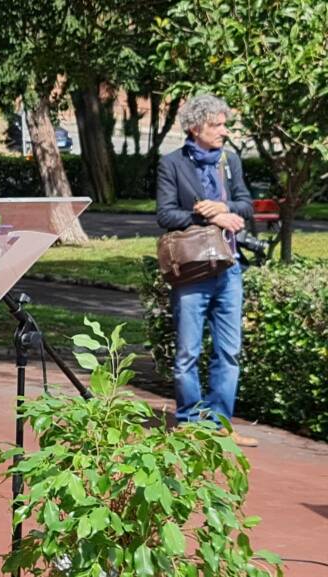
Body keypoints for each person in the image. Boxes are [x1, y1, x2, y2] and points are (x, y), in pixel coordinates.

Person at [156, 93, 257, 447]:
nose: (223, 131)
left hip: (229, 268)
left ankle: (219, 424)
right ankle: (187, 421)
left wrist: (226, 207)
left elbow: (246, 205)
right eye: (217, 125)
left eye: (224, 124)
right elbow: (165, 214)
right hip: (193, 271)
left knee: (228, 351)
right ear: (196, 127)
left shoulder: (229, 161)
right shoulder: (172, 164)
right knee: (188, 351)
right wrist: (207, 214)